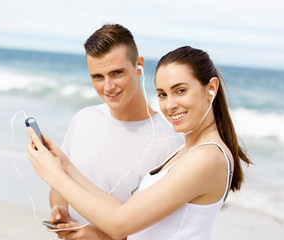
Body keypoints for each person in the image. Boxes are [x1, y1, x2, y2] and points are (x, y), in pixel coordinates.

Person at [28, 46, 252, 240]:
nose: (170, 104)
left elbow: (119, 224)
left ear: (211, 88)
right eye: (162, 94)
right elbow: (126, 211)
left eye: (180, 91)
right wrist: (65, 166)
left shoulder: (208, 157)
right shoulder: (186, 151)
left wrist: (53, 176)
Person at [48, 24, 183, 239]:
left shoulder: (169, 144)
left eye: (116, 73)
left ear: (139, 65)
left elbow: (158, 233)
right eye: (98, 77)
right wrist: (59, 209)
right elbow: (61, 184)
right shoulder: (83, 119)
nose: (108, 87)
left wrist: (97, 236)